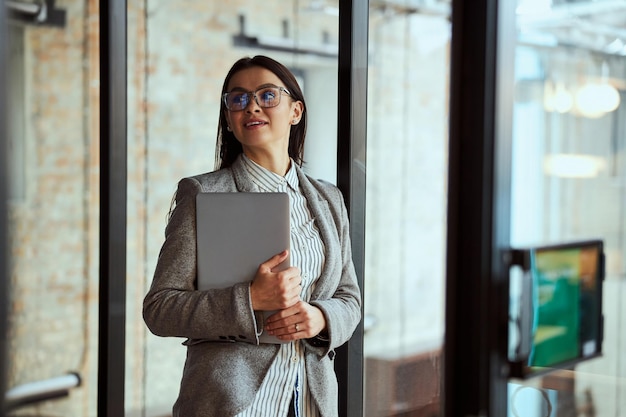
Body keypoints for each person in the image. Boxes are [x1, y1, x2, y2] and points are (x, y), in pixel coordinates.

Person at [143, 55, 362, 417]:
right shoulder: (203, 194)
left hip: (310, 399)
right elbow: (159, 308)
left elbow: (349, 297)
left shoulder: (328, 199)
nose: (252, 106)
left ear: (295, 111)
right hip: (231, 402)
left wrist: (321, 319)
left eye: (267, 95)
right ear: (229, 119)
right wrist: (248, 299)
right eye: (238, 98)